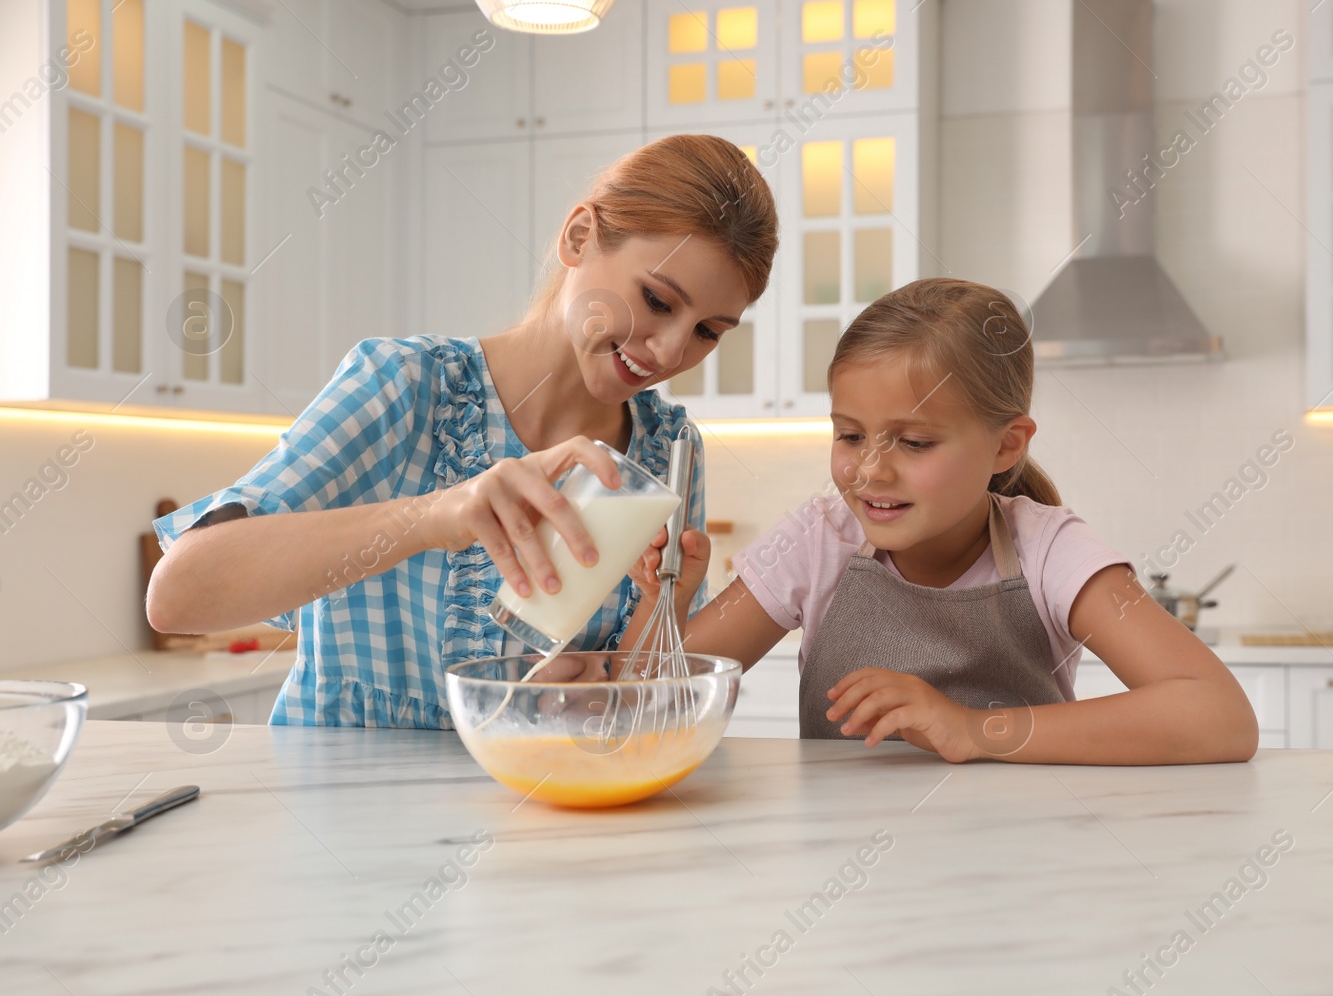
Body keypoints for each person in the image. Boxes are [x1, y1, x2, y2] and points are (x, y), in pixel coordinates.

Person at [146, 135, 778, 728]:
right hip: (343, 817)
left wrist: (640, 634)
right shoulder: (406, 385)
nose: (669, 351)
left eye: (708, 332)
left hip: (544, 819)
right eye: (659, 300)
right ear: (580, 237)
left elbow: (638, 706)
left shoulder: (669, 450)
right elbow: (179, 596)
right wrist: (438, 514)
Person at [622, 278, 1258, 764]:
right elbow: (638, 715)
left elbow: (1220, 716)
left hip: (1021, 868)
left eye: (915, 443)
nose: (869, 471)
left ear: (1007, 446)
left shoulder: (1047, 549)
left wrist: (972, 729)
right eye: (849, 435)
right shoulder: (821, 539)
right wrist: (663, 603)